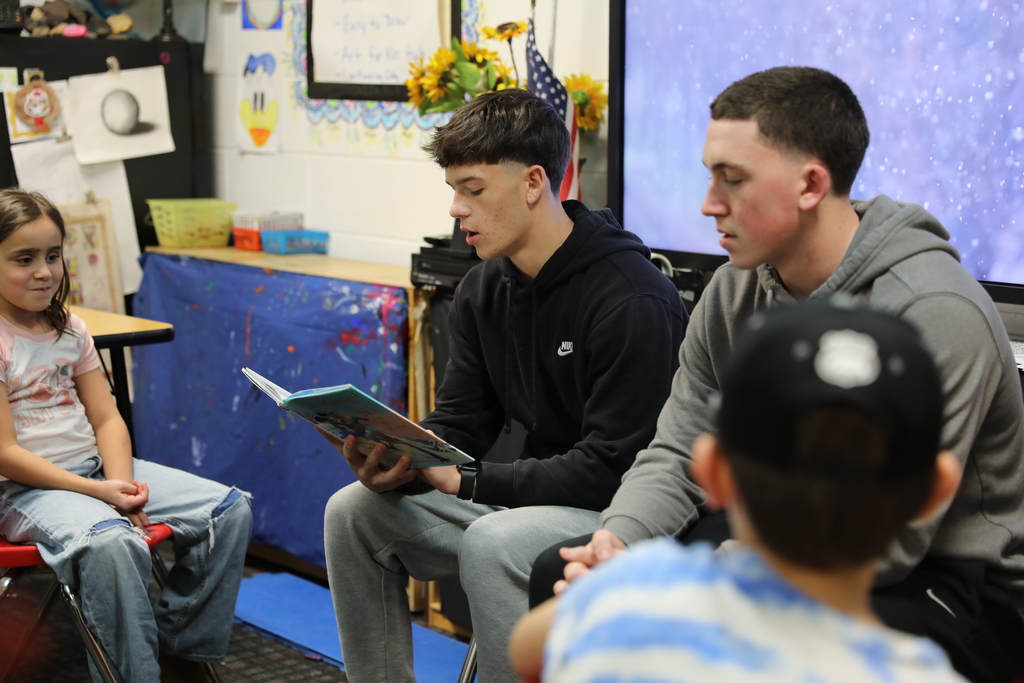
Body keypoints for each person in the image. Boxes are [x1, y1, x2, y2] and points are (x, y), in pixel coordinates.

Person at [533, 66, 1024, 683]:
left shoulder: (934, 311)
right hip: (776, 526)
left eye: (732, 180)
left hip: (944, 574)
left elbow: (887, 536)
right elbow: (680, 445)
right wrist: (619, 543)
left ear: (811, 185)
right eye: (710, 175)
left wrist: (694, 590)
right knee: (565, 574)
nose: (708, 204)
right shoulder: (734, 287)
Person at [322, 88, 687, 683]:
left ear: (533, 182)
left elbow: (618, 467)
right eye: (453, 191)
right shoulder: (482, 289)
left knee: (495, 541)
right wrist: (407, 454)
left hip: (622, 516)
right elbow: (462, 421)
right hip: (532, 505)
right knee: (352, 512)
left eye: (474, 190)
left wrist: (470, 478)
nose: (455, 210)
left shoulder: (633, 298)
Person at [511, 301, 970, 682]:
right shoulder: (927, 674)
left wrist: (613, 593)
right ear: (937, 492)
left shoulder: (634, 595)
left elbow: (527, 649)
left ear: (711, 472)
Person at [0, 188, 253, 683]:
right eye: (23, 259)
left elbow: (108, 419)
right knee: (113, 545)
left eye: (53, 255)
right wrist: (100, 495)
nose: (44, 271)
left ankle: (180, 652)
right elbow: (5, 454)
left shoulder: (70, 328)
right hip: (25, 491)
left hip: (95, 473)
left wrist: (122, 489)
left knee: (227, 510)